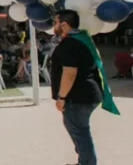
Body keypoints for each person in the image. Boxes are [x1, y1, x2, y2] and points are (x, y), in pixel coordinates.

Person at [50, 10, 105, 165]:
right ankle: (84, 161)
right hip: (87, 93)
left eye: (55, 22)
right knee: (79, 131)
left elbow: (70, 73)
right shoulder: (83, 39)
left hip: (78, 97)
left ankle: (87, 163)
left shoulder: (70, 43)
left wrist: (62, 97)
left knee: (80, 132)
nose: (53, 25)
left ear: (64, 24)